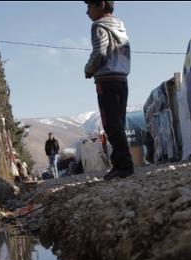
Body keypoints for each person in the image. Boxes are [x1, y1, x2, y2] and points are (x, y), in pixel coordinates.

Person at [84, 0, 134, 181]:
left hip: (107, 80)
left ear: (101, 5)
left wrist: (89, 69)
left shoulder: (98, 26)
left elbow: (100, 52)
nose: (87, 12)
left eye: (89, 6)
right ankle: (122, 163)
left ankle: (123, 166)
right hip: (122, 79)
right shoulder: (119, 25)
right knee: (118, 123)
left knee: (111, 125)